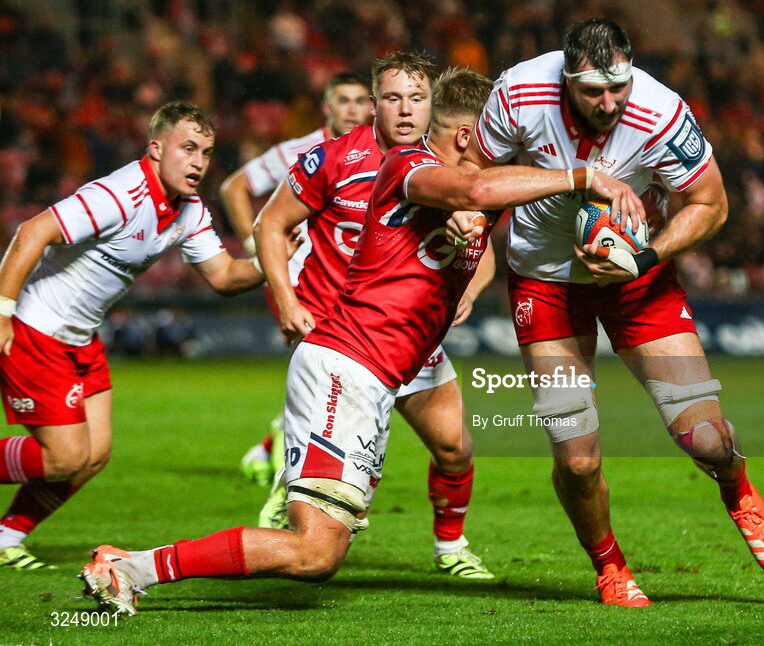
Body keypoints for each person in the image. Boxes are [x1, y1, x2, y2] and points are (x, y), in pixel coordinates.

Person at [77, 67, 641, 616]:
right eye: (502, 139)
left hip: (375, 374)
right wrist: (586, 176)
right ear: (470, 135)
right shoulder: (411, 164)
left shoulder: (455, 195)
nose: (509, 151)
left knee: (354, 525)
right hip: (345, 368)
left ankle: (445, 544)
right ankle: (129, 567)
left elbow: (467, 206)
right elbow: (473, 186)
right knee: (314, 551)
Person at [451, 18, 764, 606]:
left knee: (707, 439)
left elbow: (712, 204)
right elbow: (469, 178)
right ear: (567, 79)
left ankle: (736, 489)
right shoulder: (518, 93)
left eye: (619, 88)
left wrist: (647, 255)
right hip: (545, 281)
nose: (609, 103)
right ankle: (610, 568)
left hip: (639, 279)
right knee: (578, 458)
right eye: (593, 93)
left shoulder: (661, 111)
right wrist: (482, 215)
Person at [0, 102, 286, 570]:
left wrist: (272, 257)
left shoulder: (188, 210)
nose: (198, 162)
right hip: (36, 326)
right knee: (64, 458)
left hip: (81, 338)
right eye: (188, 148)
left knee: (94, 455)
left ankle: (6, 537)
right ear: (156, 149)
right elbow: (32, 232)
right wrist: (3, 312)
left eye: (207, 152)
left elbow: (223, 276)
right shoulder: (118, 194)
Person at [251, 52, 499, 578]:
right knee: (352, 482)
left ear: (433, 105)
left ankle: (450, 549)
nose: (405, 110)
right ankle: (299, 500)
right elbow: (270, 225)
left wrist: (469, 288)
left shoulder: (445, 167)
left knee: (454, 446)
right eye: (392, 99)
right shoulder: (334, 160)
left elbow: (481, 242)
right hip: (340, 331)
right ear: (373, 104)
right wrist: (288, 300)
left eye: (417, 99)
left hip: (409, 332)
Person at [219, 72, 374, 488]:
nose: (353, 109)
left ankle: (272, 451)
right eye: (343, 100)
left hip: (354, 282)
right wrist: (257, 249)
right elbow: (235, 186)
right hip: (300, 281)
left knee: (332, 376)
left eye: (360, 100)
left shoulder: (384, 152)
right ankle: (299, 474)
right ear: (327, 107)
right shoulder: (300, 150)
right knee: (326, 374)